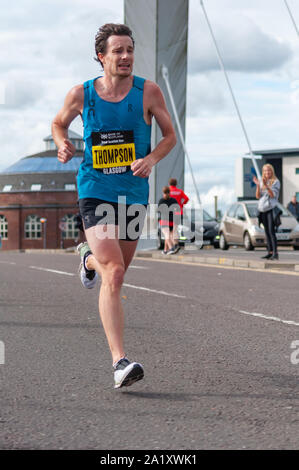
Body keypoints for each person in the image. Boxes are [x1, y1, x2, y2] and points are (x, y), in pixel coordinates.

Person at [51, 23, 176, 389]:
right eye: (118, 51)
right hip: (95, 188)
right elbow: (59, 123)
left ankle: (86, 260)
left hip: (132, 193)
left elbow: (169, 136)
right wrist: (62, 143)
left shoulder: (148, 92)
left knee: (114, 269)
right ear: (102, 57)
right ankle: (120, 362)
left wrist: (151, 159)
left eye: (130, 50)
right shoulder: (82, 94)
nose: (126, 57)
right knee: (115, 273)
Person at [253, 164, 280, 260]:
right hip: (262, 209)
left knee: (271, 231)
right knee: (266, 231)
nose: (267, 172)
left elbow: (273, 195)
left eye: (268, 171)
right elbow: (257, 196)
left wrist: (266, 186)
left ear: (272, 171)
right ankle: (270, 251)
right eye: (265, 171)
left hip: (270, 209)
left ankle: (275, 253)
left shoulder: (276, 182)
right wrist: (258, 185)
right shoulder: (262, 181)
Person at [158, 186, 180, 254]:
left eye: (165, 193)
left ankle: (171, 248)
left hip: (164, 220)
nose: (165, 195)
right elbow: (178, 210)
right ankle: (165, 250)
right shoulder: (173, 200)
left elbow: (159, 211)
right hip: (172, 220)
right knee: (169, 234)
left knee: (167, 235)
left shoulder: (161, 201)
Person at [168, 178, 189, 249]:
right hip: (178, 212)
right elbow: (186, 198)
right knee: (175, 229)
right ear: (176, 184)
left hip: (170, 213)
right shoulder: (180, 191)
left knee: (169, 230)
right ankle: (176, 243)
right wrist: (182, 204)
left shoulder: (168, 191)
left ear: (169, 183)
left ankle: (173, 245)